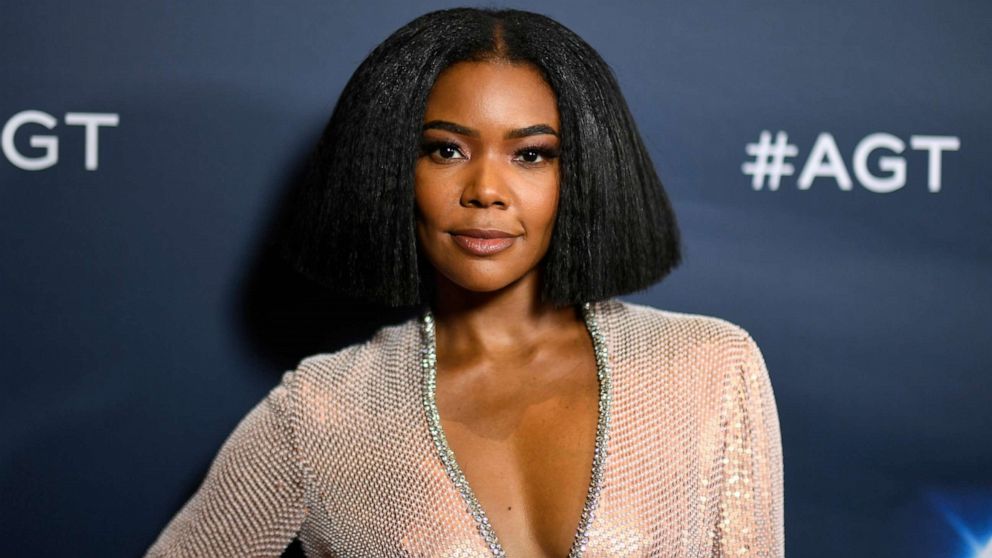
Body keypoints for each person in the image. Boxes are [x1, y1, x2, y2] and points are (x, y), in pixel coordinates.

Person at [146, 7, 783, 558]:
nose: (484, 191)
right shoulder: (320, 411)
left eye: (531, 154)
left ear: (582, 173)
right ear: (392, 166)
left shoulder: (706, 366)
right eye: (446, 150)